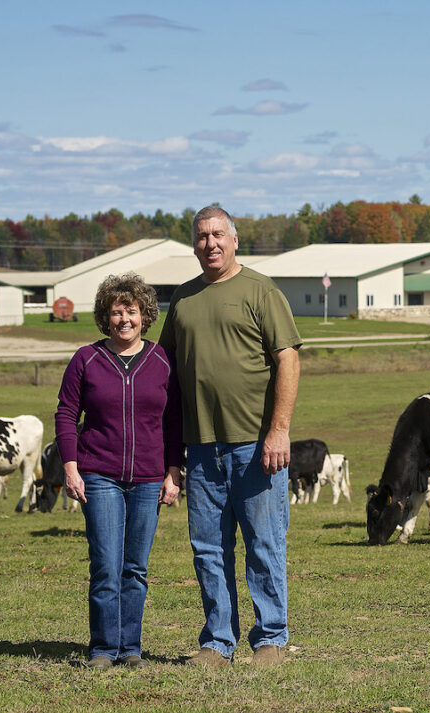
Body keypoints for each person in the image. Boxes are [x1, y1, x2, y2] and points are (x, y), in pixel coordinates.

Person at [159, 205, 301, 668]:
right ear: (194, 245)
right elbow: (166, 378)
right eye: (202, 237)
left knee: (263, 542)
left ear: (235, 240)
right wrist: (171, 457)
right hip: (201, 450)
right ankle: (218, 642)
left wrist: (278, 430)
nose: (210, 244)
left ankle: (270, 640)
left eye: (218, 234)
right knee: (208, 549)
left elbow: (288, 359)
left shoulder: (260, 291)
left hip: (255, 446)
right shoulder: (181, 300)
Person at [56, 272, 183, 670]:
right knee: (106, 565)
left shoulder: (161, 360)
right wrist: (71, 468)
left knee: (136, 568)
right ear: (104, 317)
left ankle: (131, 649)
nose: (123, 319)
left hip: (148, 478)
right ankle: (102, 649)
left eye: (131, 311)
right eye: (115, 312)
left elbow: (175, 419)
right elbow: (65, 413)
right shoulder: (86, 359)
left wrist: (174, 471)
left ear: (145, 315)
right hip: (99, 475)